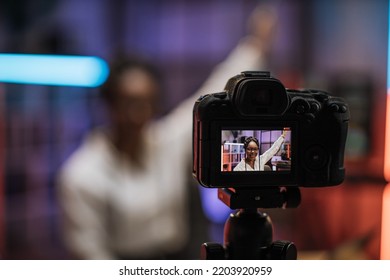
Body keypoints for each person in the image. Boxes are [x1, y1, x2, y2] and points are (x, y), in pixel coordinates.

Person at [56, 5, 277, 260]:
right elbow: (90, 254)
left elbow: (212, 93)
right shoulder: (83, 173)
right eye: (129, 103)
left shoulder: (164, 142)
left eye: (148, 103)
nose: (139, 114)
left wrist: (256, 43)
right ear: (109, 105)